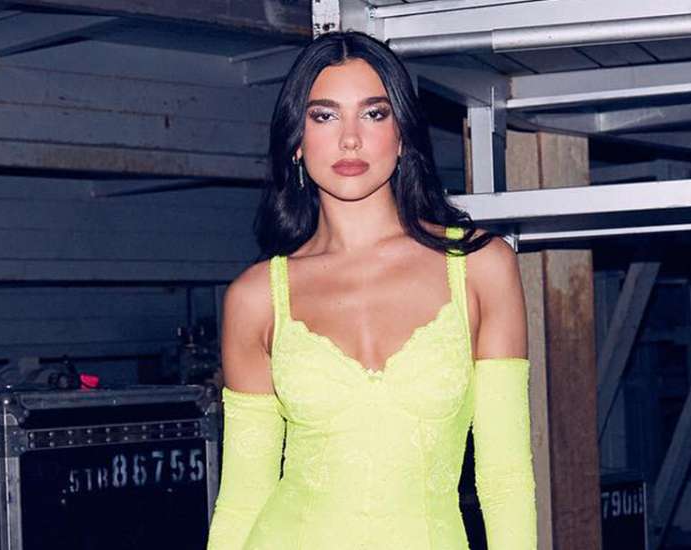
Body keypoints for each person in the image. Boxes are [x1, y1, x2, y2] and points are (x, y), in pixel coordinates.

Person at [206, 31, 536, 549]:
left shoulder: (480, 266)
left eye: (374, 114)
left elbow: (506, 480)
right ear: (296, 140)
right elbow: (243, 499)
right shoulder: (257, 297)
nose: (350, 139)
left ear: (402, 134)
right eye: (324, 116)